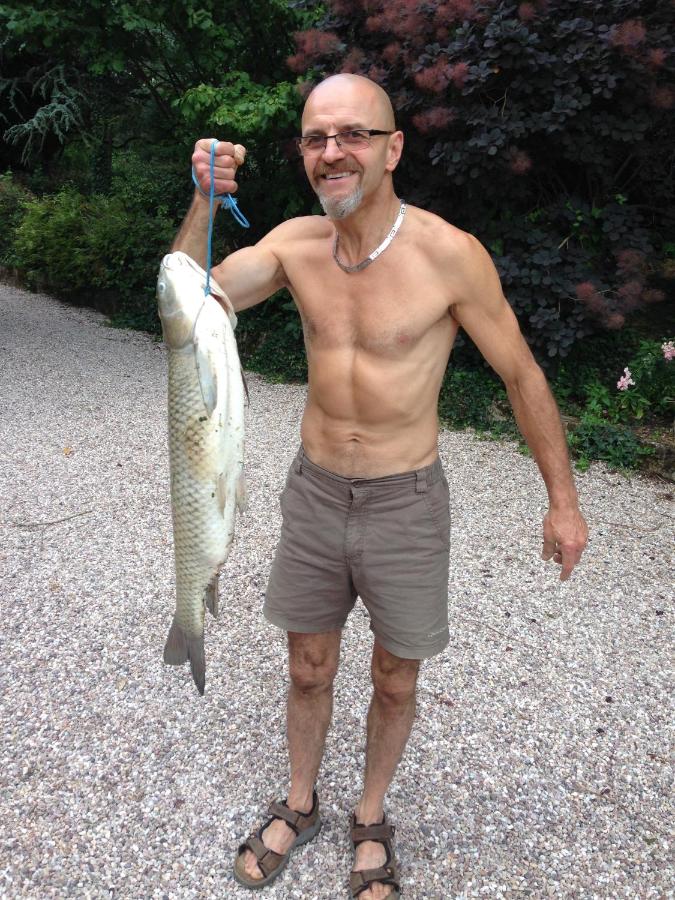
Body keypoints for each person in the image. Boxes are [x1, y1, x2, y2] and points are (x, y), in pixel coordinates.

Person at [172, 73, 588, 900]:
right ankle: (299, 802)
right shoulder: (293, 245)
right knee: (307, 666)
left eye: (352, 134)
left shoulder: (449, 255)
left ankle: (369, 816)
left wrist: (563, 500)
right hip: (315, 494)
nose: (332, 152)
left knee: (396, 676)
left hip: (406, 500)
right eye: (315, 138)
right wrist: (203, 202)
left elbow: (520, 374)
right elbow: (184, 305)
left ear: (392, 148)